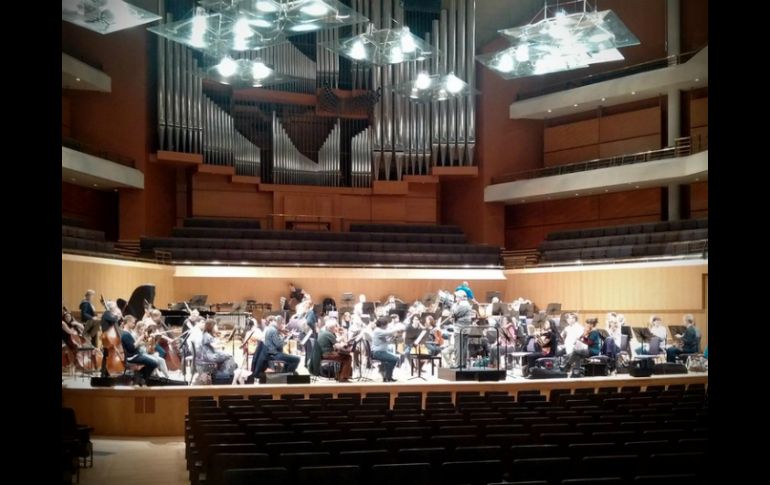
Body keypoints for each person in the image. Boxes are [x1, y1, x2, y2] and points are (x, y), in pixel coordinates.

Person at [119, 315, 158, 385]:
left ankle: (140, 377)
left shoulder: (128, 332)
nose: (134, 324)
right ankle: (143, 378)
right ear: (128, 322)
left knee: (154, 362)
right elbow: (132, 348)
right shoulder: (125, 334)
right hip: (132, 357)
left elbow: (134, 345)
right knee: (154, 363)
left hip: (136, 354)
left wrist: (144, 341)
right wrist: (140, 338)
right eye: (133, 323)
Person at [371, 317, 402, 382]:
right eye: (386, 324)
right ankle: (388, 377)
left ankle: (387, 377)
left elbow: (387, 342)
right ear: (382, 325)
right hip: (378, 353)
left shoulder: (380, 331)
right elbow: (389, 332)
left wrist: (393, 337)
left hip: (381, 352)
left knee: (393, 359)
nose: (387, 326)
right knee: (394, 359)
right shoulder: (378, 330)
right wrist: (398, 328)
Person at [451, 291, 474, 367]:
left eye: (456, 297)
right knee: (464, 347)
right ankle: (463, 363)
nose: (455, 299)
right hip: (466, 329)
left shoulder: (462, 305)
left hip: (459, 329)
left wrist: (454, 306)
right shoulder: (467, 304)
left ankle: (458, 364)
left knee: (458, 347)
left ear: (460, 297)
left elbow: (454, 314)